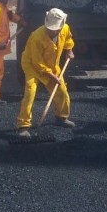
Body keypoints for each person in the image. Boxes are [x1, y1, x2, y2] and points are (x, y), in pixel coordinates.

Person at [16, 8, 76, 138]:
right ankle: (23, 126)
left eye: (57, 28)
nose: (54, 30)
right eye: (52, 28)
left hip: (51, 66)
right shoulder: (36, 37)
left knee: (62, 91)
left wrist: (69, 50)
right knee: (30, 92)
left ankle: (61, 117)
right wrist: (51, 76)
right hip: (32, 65)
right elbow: (37, 62)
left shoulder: (65, 28)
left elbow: (68, 40)